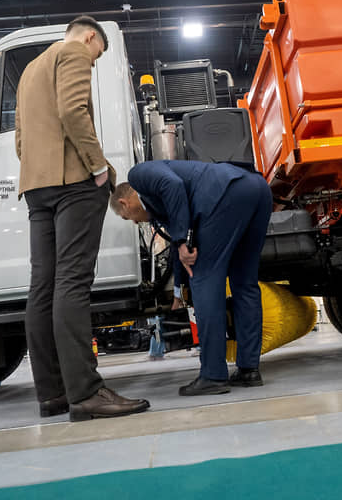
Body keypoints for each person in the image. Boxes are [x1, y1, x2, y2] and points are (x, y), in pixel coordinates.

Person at [15, 15, 149, 421]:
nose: (92, 63)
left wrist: (42, 172)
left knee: (43, 287)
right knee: (72, 283)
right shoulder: (72, 51)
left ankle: (53, 394)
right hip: (73, 183)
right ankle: (87, 393)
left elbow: (21, 140)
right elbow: (74, 111)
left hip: (36, 187)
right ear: (91, 37)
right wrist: (98, 168)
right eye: (97, 57)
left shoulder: (29, 70)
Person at [110, 160, 273, 395]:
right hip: (256, 189)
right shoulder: (161, 210)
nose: (134, 222)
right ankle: (249, 370)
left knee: (205, 281)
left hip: (224, 193)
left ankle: (213, 375)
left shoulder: (139, 175)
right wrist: (177, 291)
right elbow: (179, 254)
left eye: (126, 217)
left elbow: (172, 184)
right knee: (244, 283)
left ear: (124, 202)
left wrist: (182, 239)